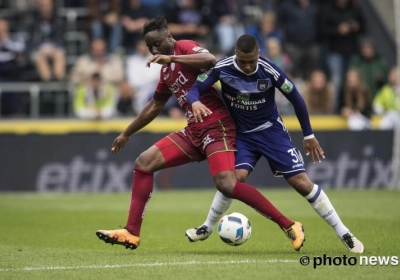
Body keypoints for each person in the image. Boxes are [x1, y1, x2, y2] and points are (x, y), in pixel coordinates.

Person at [95, 16, 305, 251]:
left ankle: (288, 225)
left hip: (218, 125)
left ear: (168, 37)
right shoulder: (166, 72)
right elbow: (155, 106)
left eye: (157, 44)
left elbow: (210, 59)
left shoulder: (183, 47)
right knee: (144, 162)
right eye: (149, 46)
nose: (154, 50)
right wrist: (126, 132)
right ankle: (131, 232)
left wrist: (172, 56)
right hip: (194, 130)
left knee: (226, 183)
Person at [185, 34, 364, 253]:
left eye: (252, 60)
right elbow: (195, 89)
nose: (248, 66)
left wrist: (308, 135)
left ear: (259, 54)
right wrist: (194, 101)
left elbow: (296, 98)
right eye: (243, 61)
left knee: (302, 183)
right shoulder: (222, 68)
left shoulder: (270, 70)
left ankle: (344, 232)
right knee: (232, 180)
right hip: (242, 136)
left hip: (272, 133)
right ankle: (207, 226)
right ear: (236, 56)